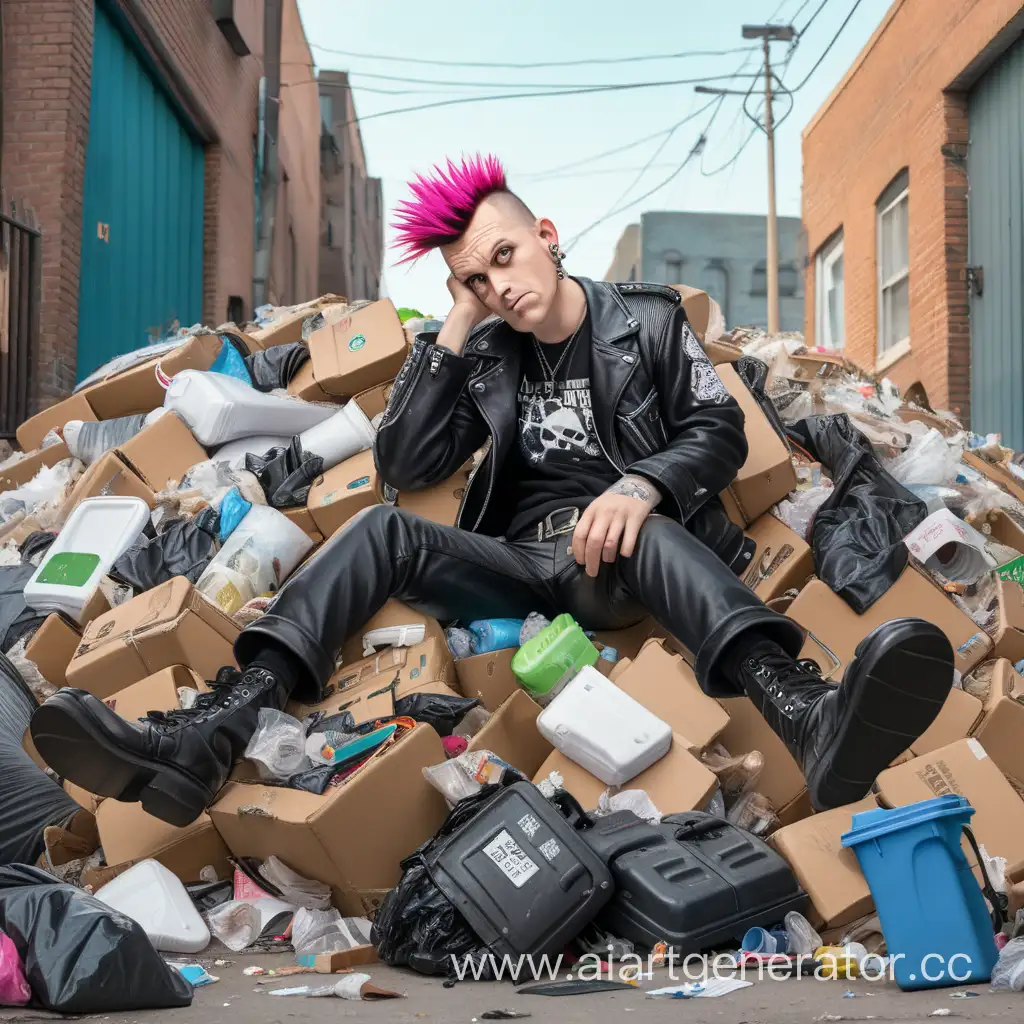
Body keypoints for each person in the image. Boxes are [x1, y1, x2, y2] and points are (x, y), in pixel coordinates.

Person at [31, 154, 954, 828]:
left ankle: (805, 712)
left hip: (621, 561)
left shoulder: (649, 320)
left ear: (546, 235)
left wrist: (639, 483)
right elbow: (405, 461)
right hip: (517, 560)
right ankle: (213, 732)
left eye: (505, 257)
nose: (499, 283)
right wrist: (456, 324)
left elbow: (715, 431)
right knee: (379, 530)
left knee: (646, 532)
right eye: (476, 275)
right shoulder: (486, 354)